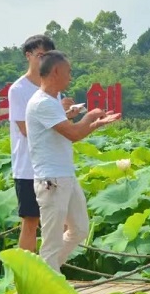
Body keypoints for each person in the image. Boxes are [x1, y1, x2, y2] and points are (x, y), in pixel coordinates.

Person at [25, 51, 120, 272]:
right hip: (51, 179)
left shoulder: (52, 101)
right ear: (56, 72)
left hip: (65, 175)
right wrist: (89, 116)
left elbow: (72, 132)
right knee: (52, 240)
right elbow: (74, 134)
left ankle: (45, 273)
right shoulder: (42, 103)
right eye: (68, 72)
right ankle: (49, 287)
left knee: (79, 229)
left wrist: (96, 123)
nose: (70, 77)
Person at [9, 35, 81, 252]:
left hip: (53, 166)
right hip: (28, 166)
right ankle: (26, 275)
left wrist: (66, 114)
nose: (43, 61)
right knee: (30, 222)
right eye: (40, 55)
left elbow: (55, 124)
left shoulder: (54, 89)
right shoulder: (18, 89)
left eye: (47, 56)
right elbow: (25, 128)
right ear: (28, 56)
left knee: (58, 224)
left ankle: (51, 268)